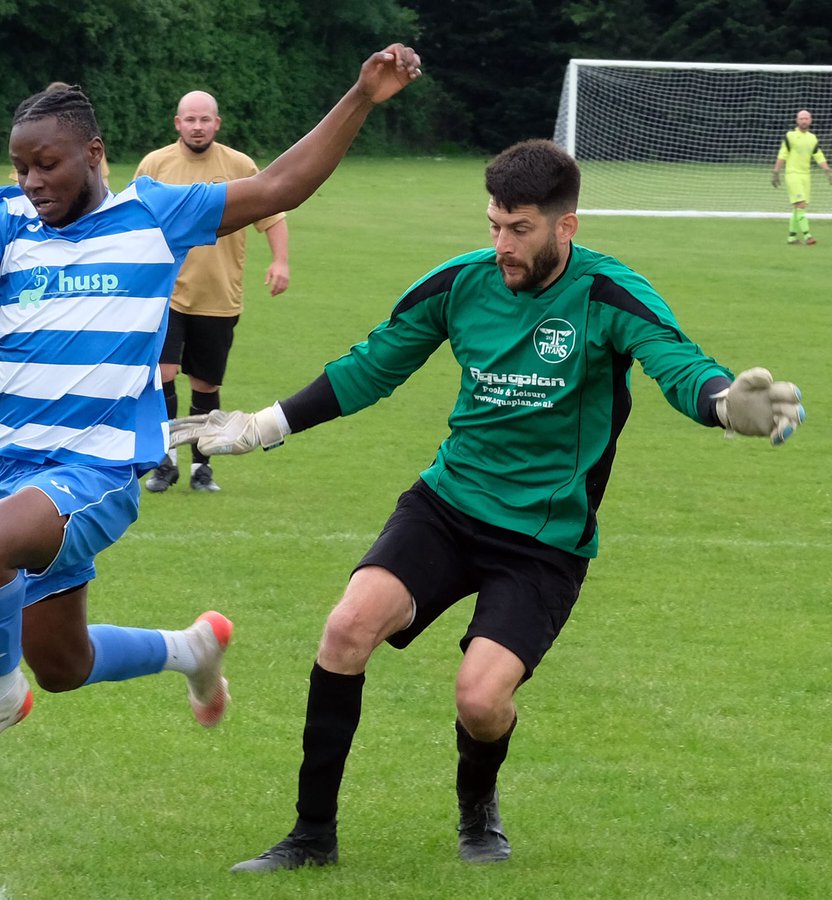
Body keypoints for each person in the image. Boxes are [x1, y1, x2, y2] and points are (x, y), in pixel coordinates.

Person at [171, 138, 806, 871]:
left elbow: (677, 362)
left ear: (566, 226)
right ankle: (311, 836)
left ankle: (478, 812)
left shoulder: (608, 295)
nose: (502, 245)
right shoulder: (460, 285)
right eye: (494, 226)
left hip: (545, 535)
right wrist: (262, 427)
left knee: (480, 699)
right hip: (448, 505)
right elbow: (372, 367)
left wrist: (723, 404)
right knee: (346, 628)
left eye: (520, 230)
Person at [0, 45, 422, 767]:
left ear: (94, 153)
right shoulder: (4, 219)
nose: (32, 181)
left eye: (47, 164)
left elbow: (280, 186)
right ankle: (191, 649)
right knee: (63, 664)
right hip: (17, 466)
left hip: (103, 467)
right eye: (21, 167)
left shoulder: (155, 212)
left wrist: (361, 93)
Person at [135, 90, 291, 493]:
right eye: (190, 119)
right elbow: (133, 221)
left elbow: (271, 214)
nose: (198, 126)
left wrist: (280, 261)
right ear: (178, 123)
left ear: (216, 124)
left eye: (205, 119)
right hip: (165, 293)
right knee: (162, 374)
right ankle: (164, 461)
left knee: (205, 385)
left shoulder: (240, 165)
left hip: (219, 296)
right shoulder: (155, 164)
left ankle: (201, 468)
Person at [9, 82, 110, 188]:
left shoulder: (85, 144)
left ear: (94, 152)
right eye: (23, 170)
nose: (30, 184)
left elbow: (102, 183)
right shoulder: (28, 147)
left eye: (48, 165)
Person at [770, 108, 832, 245]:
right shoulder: (790, 136)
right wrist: (776, 172)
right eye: (801, 118)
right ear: (797, 120)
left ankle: (791, 237)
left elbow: (818, 155)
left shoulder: (812, 138)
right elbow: (782, 155)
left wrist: (827, 170)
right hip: (792, 174)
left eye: (806, 118)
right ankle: (808, 236)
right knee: (801, 205)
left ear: (811, 120)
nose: (804, 120)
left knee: (798, 207)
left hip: (806, 176)